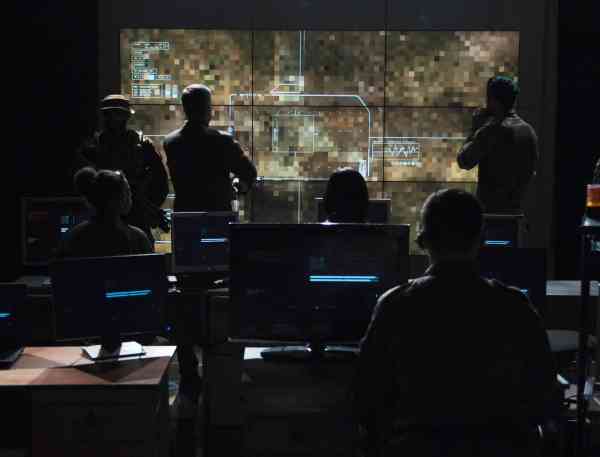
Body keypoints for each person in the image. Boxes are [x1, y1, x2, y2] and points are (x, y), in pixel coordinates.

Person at [355, 188, 556, 456]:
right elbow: (544, 395)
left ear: (422, 240)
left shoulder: (394, 306)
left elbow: (366, 398)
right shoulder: (515, 306)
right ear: (482, 240)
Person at [73, 94, 169, 242]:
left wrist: (149, 205)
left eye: (118, 114)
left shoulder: (141, 145)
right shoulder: (93, 147)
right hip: (103, 214)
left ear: (126, 116)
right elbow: (82, 183)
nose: (114, 119)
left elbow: (160, 181)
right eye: (110, 115)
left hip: (136, 211)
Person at [163, 84, 257, 212]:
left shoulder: (170, 142)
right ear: (207, 109)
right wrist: (237, 186)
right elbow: (249, 173)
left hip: (184, 216)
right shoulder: (223, 141)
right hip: (217, 216)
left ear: (185, 109)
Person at [457, 76, 538, 214]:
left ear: (492, 100)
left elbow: (464, 161)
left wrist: (475, 129)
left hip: (492, 214)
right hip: (516, 213)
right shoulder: (528, 131)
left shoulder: (492, 131)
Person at [60, 167, 153, 258]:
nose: (131, 196)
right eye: (127, 191)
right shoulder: (137, 239)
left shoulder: (76, 237)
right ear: (115, 199)